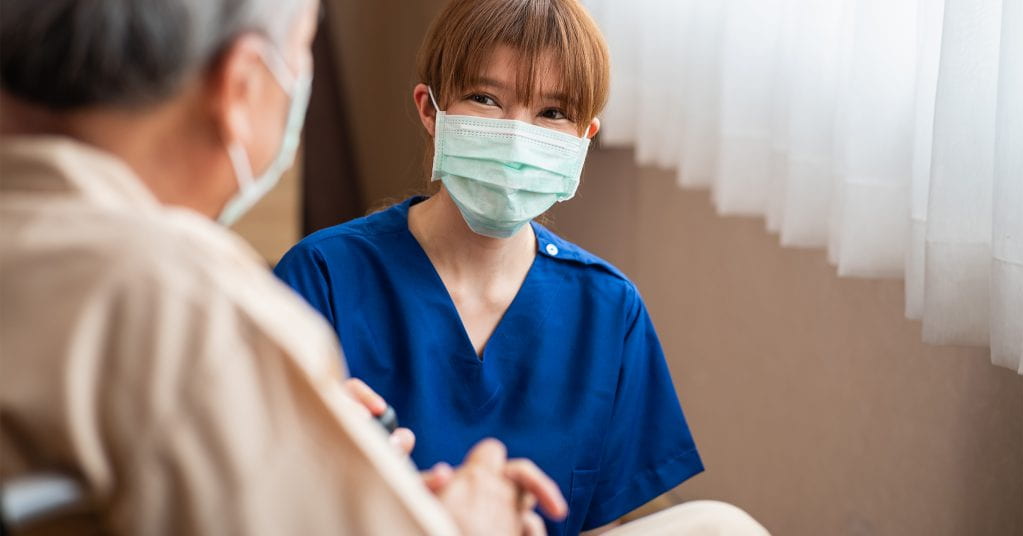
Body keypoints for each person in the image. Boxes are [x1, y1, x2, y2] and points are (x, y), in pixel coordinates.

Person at [0, 0, 566, 534]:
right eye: (300, 54)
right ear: (241, 83)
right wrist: (468, 520)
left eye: (553, 111)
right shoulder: (181, 304)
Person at [274, 0, 703, 533]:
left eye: (552, 113)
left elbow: (605, 520)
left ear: (583, 140)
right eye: (486, 99)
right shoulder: (323, 280)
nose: (518, 136)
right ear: (431, 110)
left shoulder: (608, 311)